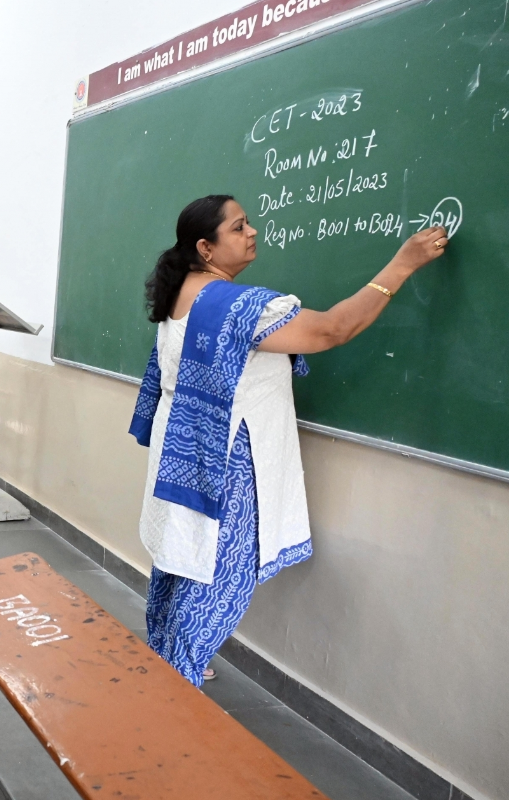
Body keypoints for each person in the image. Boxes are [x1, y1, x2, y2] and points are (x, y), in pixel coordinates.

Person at [129, 195, 448, 687]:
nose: (252, 231)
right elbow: (333, 329)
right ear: (205, 247)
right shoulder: (234, 306)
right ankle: (171, 690)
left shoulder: (184, 292)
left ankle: (163, 661)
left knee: (182, 563)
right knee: (220, 577)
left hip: (187, 451)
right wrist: (402, 264)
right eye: (238, 227)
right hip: (227, 462)